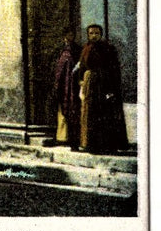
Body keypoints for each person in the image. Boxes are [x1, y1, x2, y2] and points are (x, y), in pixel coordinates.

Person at [77, 24, 129, 154]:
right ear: (88, 35)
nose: (94, 36)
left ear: (101, 35)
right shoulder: (85, 49)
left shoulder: (108, 49)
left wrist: (111, 89)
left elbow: (114, 69)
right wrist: (81, 82)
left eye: (96, 33)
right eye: (91, 33)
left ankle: (108, 145)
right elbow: (82, 67)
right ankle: (92, 145)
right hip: (90, 85)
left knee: (105, 115)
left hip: (104, 84)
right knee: (91, 115)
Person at [51, 28, 81, 148]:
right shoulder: (59, 50)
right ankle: (61, 137)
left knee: (71, 109)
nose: (69, 37)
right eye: (67, 35)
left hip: (72, 84)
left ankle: (72, 138)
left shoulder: (77, 50)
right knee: (61, 110)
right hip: (61, 85)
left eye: (71, 35)